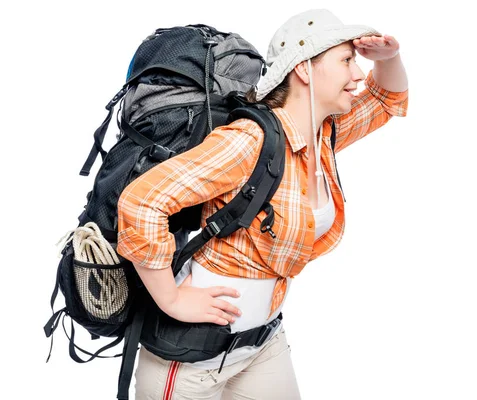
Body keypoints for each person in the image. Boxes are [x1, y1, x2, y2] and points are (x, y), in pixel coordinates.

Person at [117, 8, 408, 400]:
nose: (358, 74)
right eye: (346, 60)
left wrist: (389, 58)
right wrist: (170, 298)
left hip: (262, 344)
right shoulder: (249, 140)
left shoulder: (323, 136)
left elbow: (387, 99)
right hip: (192, 360)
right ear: (304, 69)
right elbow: (141, 201)